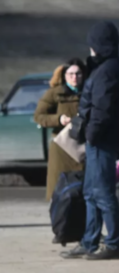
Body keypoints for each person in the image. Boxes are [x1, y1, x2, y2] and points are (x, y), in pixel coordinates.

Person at [60, 21, 119, 261]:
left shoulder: (109, 70)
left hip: (102, 140)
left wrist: (90, 135)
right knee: (91, 191)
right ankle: (89, 241)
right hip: (100, 139)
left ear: (99, 46)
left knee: (102, 192)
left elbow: (102, 108)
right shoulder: (108, 67)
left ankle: (112, 243)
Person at [34, 58, 86, 202]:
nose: (74, 78)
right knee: (60, 194)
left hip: (83, 149)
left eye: (78, 74)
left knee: (83, 195)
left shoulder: (89, 92)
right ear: (64, 75)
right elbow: (39, 116)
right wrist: (59, 119)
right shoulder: (54, 93)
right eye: (70, 74)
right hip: (62, 148)